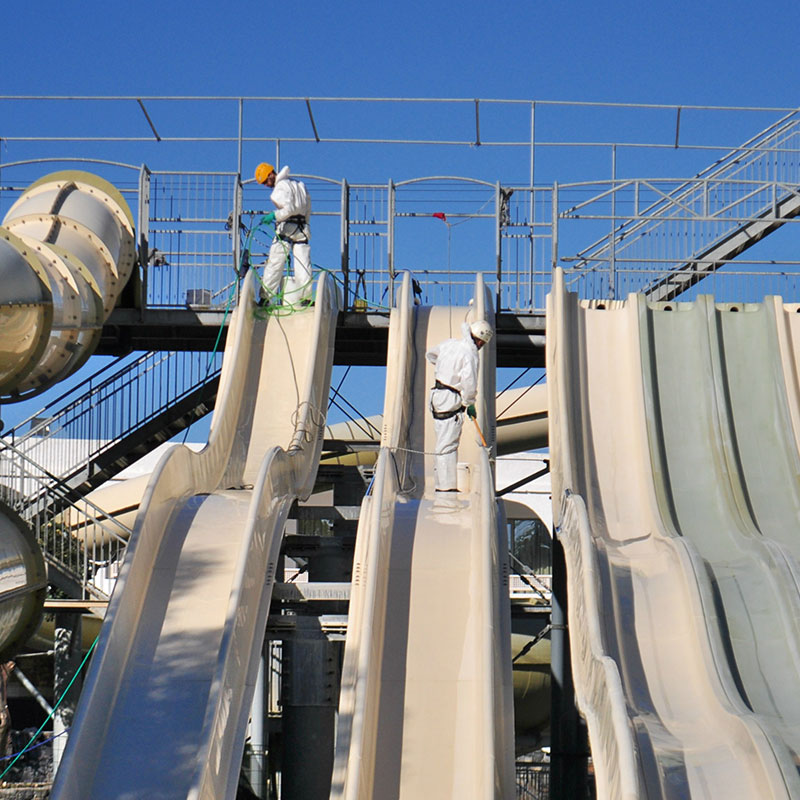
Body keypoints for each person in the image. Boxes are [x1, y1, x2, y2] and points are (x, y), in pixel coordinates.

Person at [426, 319, 494, 493]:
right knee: (448, 444)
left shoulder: (450, 344)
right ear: (480, 340)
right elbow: (469, 382)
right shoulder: (470, 354)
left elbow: (430, 355)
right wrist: (469, 402)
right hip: (450, 398)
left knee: (442, 441)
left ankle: (442, 483)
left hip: (436, 395)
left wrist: (445, 368)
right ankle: (446, 486)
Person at [254, 162, 313, 306]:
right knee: (303, 264)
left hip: (286, 228)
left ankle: (266, 297)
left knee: (275, 262)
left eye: (266, 181)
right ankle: (306, 298)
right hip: (302, 228)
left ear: (270, 174)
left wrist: (274, 215)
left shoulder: (280, 188)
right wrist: (305, 224)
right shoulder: (299, 184)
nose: (266, 185)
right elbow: (308, 207)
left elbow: (289, 209)